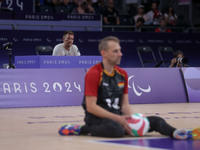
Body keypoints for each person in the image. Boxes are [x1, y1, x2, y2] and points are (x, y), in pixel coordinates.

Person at [58, 36, 200, 139]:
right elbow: (91, 107)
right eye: (115, 51)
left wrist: (132, 119)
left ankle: (177, 133)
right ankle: (81, 129)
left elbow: (125, 104)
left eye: (120, 50)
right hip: (97, 119)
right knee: (117, 131)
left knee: (156, 121)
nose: (120, 54)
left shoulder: (122, 74)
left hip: (118, 117)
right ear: (104, 53)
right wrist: (118, 119)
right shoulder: (94, 73)